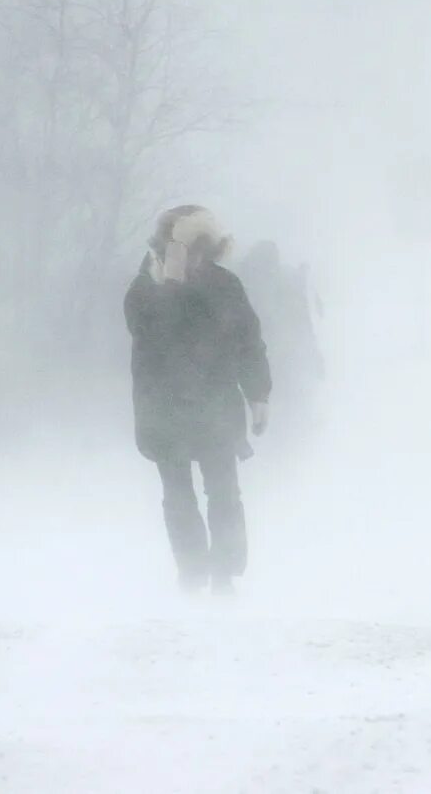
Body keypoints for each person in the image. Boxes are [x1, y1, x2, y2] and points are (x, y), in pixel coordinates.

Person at [124, 205, 271, 594]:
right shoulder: (145, 290)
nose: (196, 260)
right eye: (186, 250)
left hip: (216, 405)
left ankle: (224, 574)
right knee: (177, 493)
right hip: (163, 407)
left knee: (223, 490)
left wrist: (259, 393)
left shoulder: (224, 285)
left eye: (201, 250)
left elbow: (248, 341)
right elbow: (151, 333)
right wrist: (169, 284)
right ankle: (191, 571)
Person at [237, 239, 325, 392]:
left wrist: (313, 354)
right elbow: (302, 321)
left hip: (275, 354)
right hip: (267, 353)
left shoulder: (284, 281)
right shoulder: (250, 281)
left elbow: (301, 320)